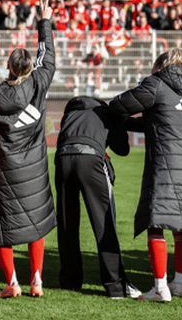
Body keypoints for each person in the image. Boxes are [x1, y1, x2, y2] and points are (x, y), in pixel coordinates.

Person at [109, 48, 182, 302]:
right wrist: (127, 123)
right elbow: (156, 121)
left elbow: (120, 104)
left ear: (162, 64)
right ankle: (179, 283)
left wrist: (111, 114)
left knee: (155, 222)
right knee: (181, 226)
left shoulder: (156, 84)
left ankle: (160, 287)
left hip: (165, 163)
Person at [0, 0, 56, 298]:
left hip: (3, 167)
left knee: (0, 224)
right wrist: (44, 22)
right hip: (34, 166)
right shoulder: (39, 83)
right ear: (31, 67)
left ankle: (12, 283)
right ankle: (36, 281)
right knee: (36, 223)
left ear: (8, 66)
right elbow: (49, 57)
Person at [54, 96, 140, 299]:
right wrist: (118, 125)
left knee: (67, 223)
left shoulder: (71, 112)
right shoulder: (107, 112)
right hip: (90, 159)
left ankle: (70, 281)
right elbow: (123, 149)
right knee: (104, 223)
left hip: (63, 159)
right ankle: (115, 285)